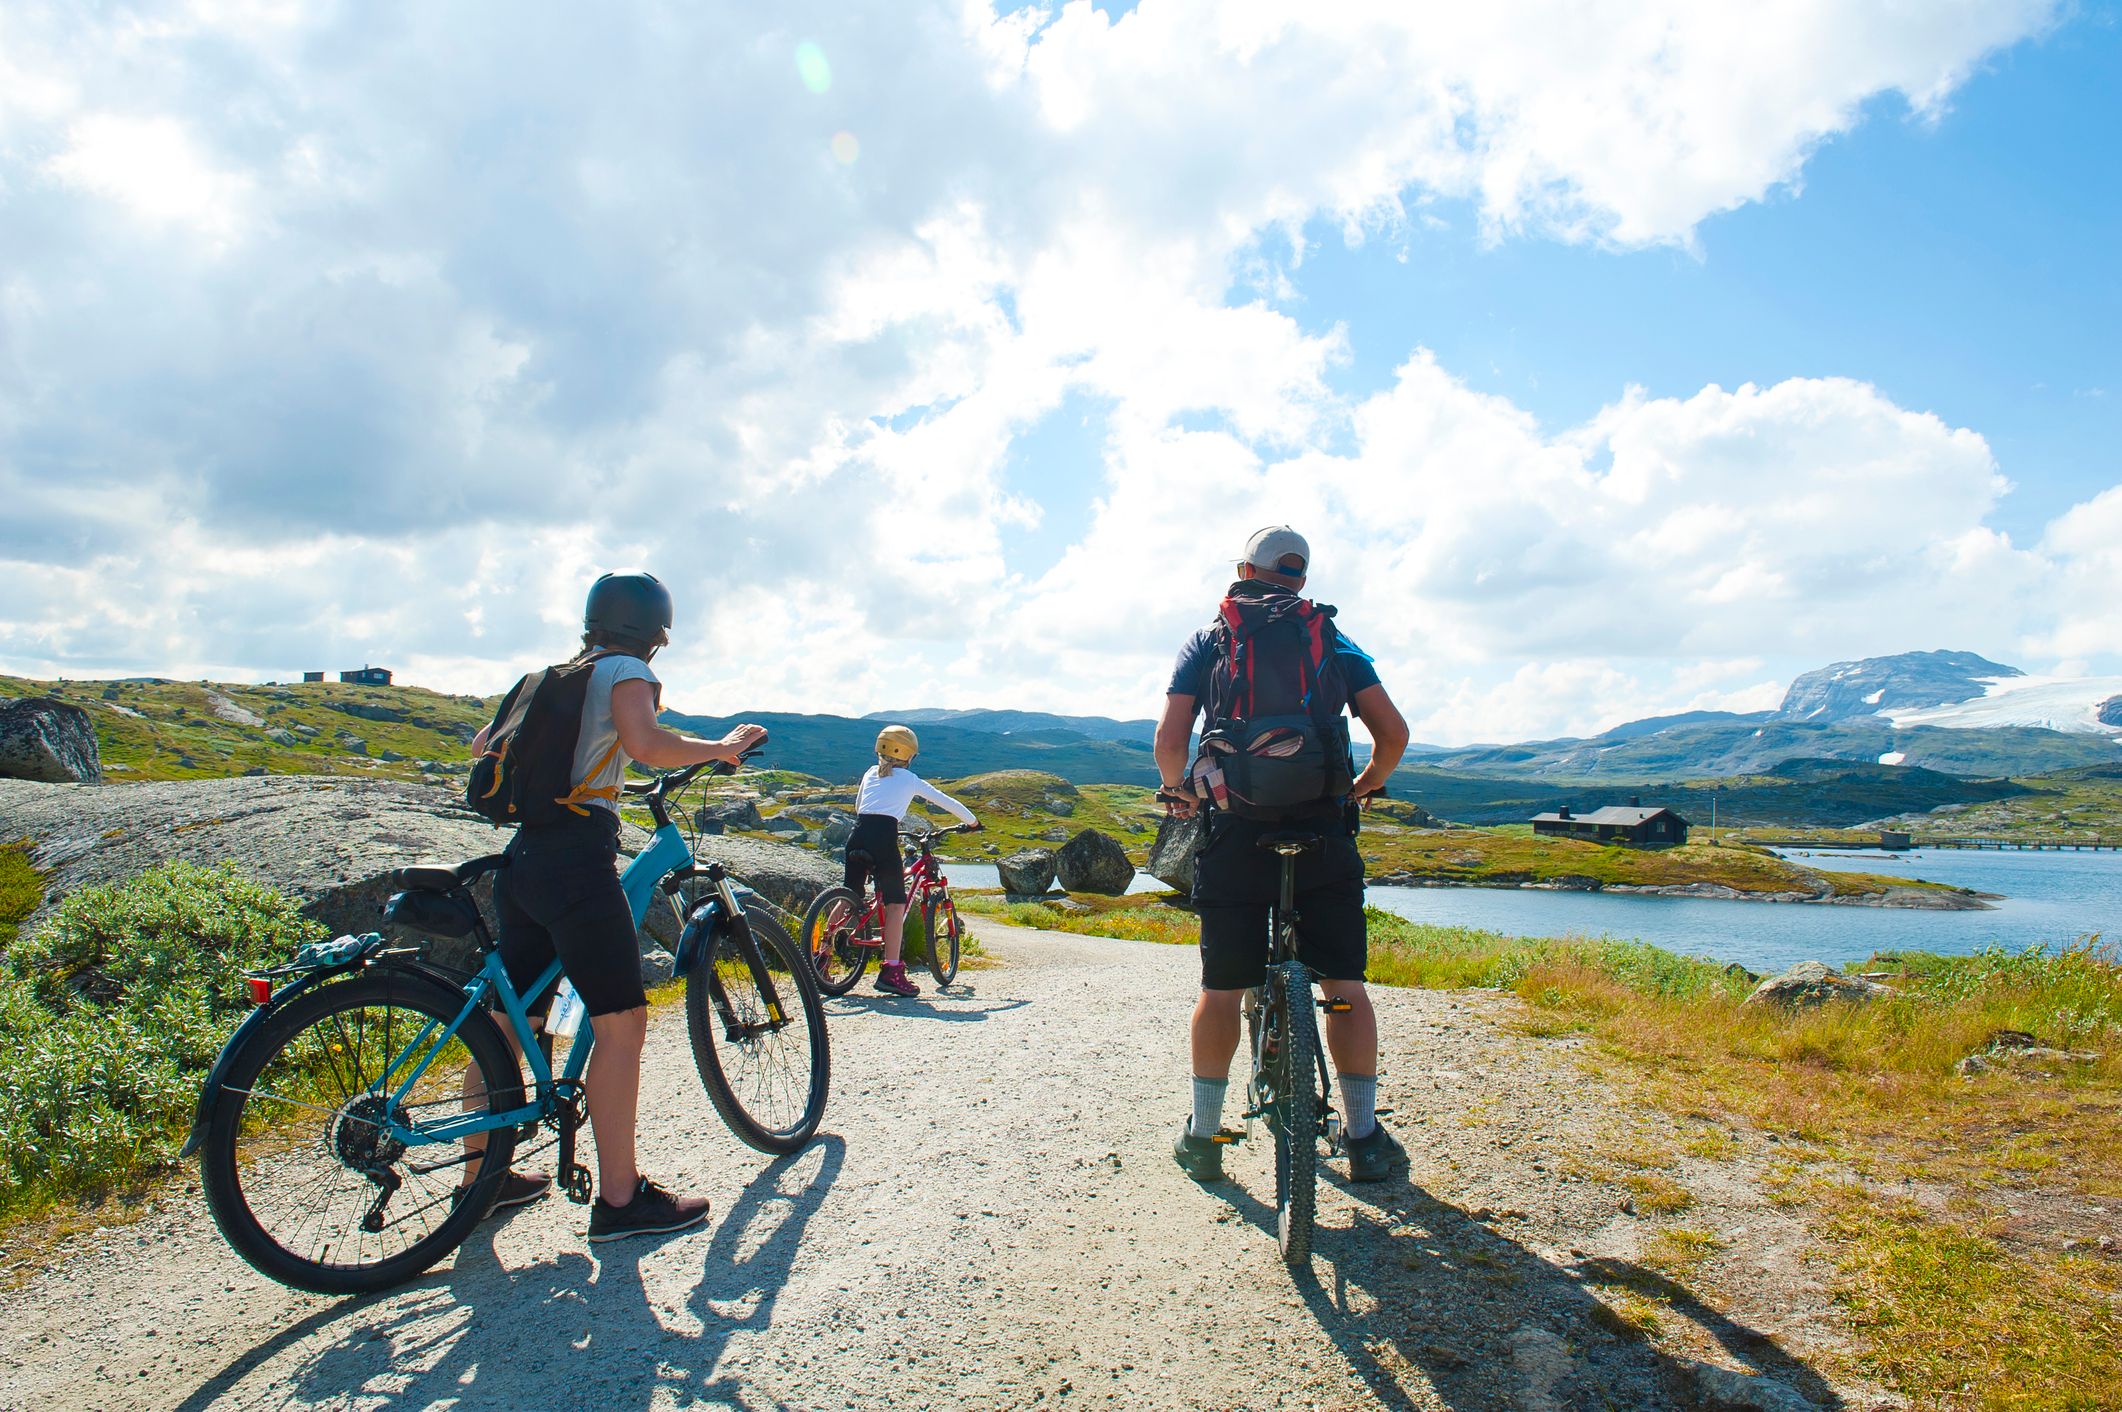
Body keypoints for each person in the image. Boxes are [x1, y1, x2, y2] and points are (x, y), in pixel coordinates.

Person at [466, 571, 766, 1243]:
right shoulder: (627, 669)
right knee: (622, 1022)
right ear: (655, 631)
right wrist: (719, 748)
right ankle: (622, 1201)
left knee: (509, 1019)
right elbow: (647, 745)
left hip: (525, 860)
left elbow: (483, 747)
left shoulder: (551, 675)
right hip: (576, 858)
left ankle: (479, 1183)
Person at [1153, 527, 1412, 1184]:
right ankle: (1362, 1137)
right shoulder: (1332, 637)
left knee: (1220, 993)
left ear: (1246, 569)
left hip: (1235, 830)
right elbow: (1394, 734)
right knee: (1345, 988)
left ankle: (1205, 1137)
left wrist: (1181, 792)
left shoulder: (1213, 636)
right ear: (1299, 576)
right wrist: (1366, 785)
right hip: (1323, 829)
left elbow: (1170, 736)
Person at [845, 724, 980, 996]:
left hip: (857, 835)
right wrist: (973, 822)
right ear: (909, 755)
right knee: (895, 905)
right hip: (883, 840)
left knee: (850, 895)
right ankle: (891, 972)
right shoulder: (910, 779)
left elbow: (860, 808)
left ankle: (820, 951)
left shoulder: (870, 773)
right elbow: (946, 801)